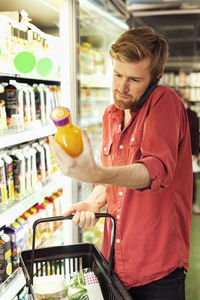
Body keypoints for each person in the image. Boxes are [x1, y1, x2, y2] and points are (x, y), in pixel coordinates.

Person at [49, 26, 193, 300]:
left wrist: (95, 171)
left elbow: (154, 170)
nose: (121, 87)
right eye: (117, 74)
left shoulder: (165, 103)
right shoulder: (110, 115)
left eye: (134, 79)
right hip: (115, 258)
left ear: (155, 78)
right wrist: (93, 200)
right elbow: (111, 178)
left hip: (157, 267)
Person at [177, 91, 200, 214]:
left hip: (190, 152)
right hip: (176, 153)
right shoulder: (172, 112)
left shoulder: (192, 114)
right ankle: (181, 205)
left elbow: (195, 134)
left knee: (191, 178)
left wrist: (196, 152)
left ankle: (193, 204)